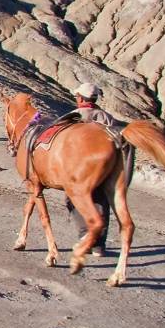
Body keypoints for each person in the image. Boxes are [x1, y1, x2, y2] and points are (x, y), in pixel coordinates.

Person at [65, 82, 117, 255]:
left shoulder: (74, 116)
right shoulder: (106, 117)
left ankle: (84, 235)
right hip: (104, 169)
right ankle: (99, 245)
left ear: (80, 98)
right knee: (102, 201)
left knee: (73, 199)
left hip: (79, 169)